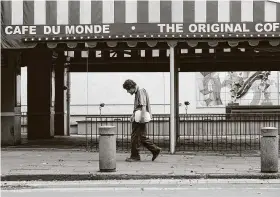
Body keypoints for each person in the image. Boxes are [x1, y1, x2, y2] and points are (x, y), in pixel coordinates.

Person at [123, 79, 161, 162]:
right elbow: (138, 107)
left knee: (135, 137)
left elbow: (143, 106)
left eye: (128, 90)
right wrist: (133, 115)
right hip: (139, 117)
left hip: (140, 118)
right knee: (142, 137)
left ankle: (135, 156)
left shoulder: (140, 91)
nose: (128, 92)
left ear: (131, 87)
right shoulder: (138, 92)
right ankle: (155, 150)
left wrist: (142, 118)